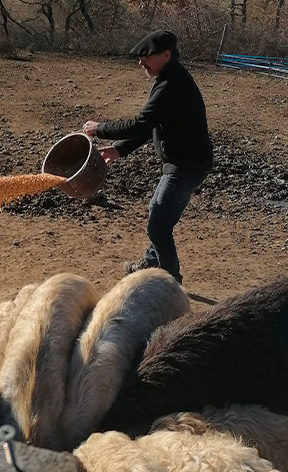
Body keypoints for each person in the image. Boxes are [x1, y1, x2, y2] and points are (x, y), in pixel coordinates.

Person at [83, 29, 213, 285]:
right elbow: (152, 125)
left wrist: (99, 129)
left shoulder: (172, 84)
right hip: (183, 163)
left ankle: (171, 283)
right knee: (158, 211)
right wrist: (119, 149)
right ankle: (152, 260)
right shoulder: (167, 77)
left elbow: (140, 123)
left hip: (187, 166)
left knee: (158, 225)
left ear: (166, 55)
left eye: (146, 57)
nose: (140, 62)